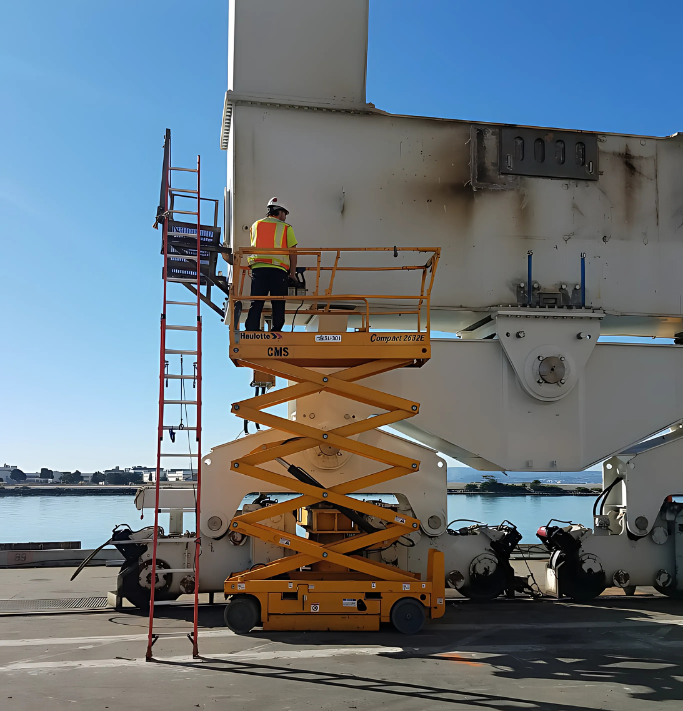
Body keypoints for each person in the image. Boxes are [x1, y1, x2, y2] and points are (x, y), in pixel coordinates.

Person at [244, 197, 298, 332]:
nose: (285, 217)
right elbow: (293, 252)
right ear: (279, 212)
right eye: (285, 213)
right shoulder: (286, 228)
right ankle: (276, 329)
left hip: (259, 268)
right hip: (278, 270)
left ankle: (251, 328)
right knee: (278, 301)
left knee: (256, 301)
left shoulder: (256, 225)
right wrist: (292, 274)